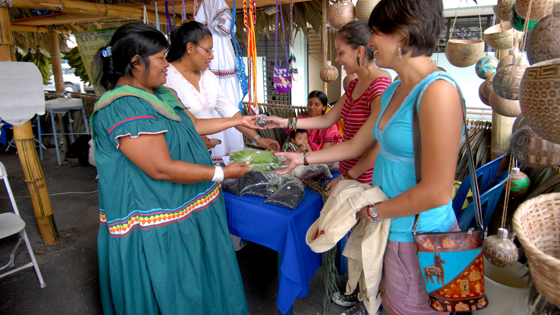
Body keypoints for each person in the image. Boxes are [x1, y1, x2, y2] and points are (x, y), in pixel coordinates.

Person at [274, 0, 463, 315]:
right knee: (388, 303)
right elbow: (357, 144)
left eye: (376, 32)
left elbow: (437, 192)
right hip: (390, 227)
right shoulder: (393, 91)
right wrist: (301, 158)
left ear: (401, 36)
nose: (371, 42)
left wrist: (374, 211)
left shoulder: (438, 93)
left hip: (421, 235)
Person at [91, 22, 258, 315]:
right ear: (136, 63)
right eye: (160, 57)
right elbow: (162, 168)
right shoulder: (122, 107)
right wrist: (222, 173)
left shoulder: (161, 93)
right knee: (170, 288)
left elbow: (191, 126)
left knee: (194, 279)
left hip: (184, 206)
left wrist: (237, 121)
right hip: (154, 217)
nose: (167, 63)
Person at [266, 21, 390, 190]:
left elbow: (378, 146)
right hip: (348, 174)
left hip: (366, 180)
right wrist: (286, 122)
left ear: (359, 52)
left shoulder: (379, 89)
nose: (337, 59)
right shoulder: (354, 85)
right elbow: (327, 119)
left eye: (340, 52)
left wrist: (347, 177)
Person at [164, 21, 280, 162]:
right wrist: (194, 139)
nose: (211, 56)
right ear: (190, 48)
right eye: (208, 51)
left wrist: (258, 139)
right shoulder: (164, 77)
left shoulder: (208, 76)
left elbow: (228, 111)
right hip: (176, 157)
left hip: (203, 154)